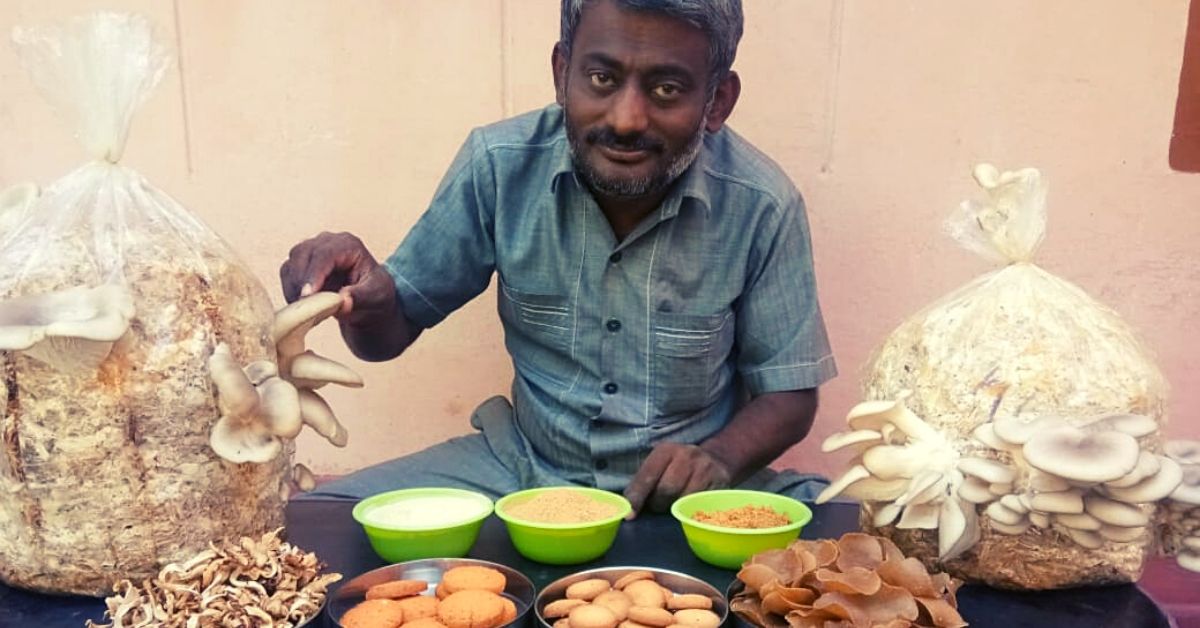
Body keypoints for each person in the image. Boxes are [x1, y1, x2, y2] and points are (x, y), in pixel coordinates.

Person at [281, 0, 836, 516]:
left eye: (666, 89)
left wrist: (717, 459)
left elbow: (789, 395)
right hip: (520, 473)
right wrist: (363, 301)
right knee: (323, 521)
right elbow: (387, 334)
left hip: (689, 495)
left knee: (856, 544)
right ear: (561, 74)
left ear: (716, 101)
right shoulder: (499, 166)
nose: (625, 119)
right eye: (602, 79)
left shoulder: (762, 203)